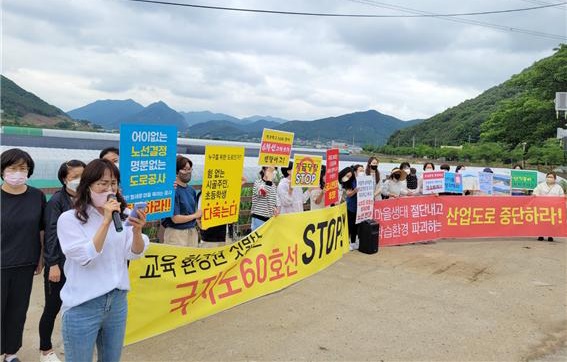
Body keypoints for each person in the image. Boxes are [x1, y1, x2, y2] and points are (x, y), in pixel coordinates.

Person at [56, 159, 149, 362]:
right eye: (102, 183)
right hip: (83, 304)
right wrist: (106, 221)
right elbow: (85, 257)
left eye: (113, 183)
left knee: (111, 359)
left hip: (116, 302)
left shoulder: (123, 216)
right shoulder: (69, 219)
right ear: (88, 186)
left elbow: (134, 253)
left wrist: (137, 230)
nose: (109, 189)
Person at [1, 148, 46, 362]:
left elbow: (42, 229)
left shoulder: (36, 196)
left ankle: (11, 352)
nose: (18, 172)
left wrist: (41, 258)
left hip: (25, 262)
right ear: (2, 171)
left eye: (23, 168)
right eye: (12, 168)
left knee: (18, 311)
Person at [39, 160, 86, 362]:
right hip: (60, 263)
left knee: (77, 306)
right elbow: (51, 234)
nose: (79, 180)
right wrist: (53, 264)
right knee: (52, 306)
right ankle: (45, 350)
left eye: (83, 176)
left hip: (80, 264)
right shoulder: (57, 201)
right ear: (64, 179)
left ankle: (74, 343)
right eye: (74, 177)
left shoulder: (87, 198)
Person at [162, 155, 201, 247]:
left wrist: (197, 219)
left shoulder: (191, 190)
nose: (188, 172)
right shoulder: (172, 190)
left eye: (190, 169)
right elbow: (175, 219)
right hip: (175, 233)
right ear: (176, 171)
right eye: (184, 169)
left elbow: (192, 212)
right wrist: (195, 215)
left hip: (192, 231)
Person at [533, 172, 565, 242]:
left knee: (551, 222)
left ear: (555, 179)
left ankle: (550, 235)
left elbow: (561, 196)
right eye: (548, 177)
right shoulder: (540, 185)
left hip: (553, 208)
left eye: (551, 177)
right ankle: (540, 235)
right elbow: (535, 192)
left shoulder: (558, 187)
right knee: (542, 222)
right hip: (543, 207)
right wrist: (535, 195)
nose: (549, 178)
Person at [339, 165, 363, 249]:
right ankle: (348, 242)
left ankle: (354, 241)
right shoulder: (346, 182)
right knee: (350, 225)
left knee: (356, 225)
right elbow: (349, 194)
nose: (349, 177)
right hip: (351, 206)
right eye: (347, 176)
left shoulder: (357, 179)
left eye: (350, 175)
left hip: (359, 206)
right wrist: (355, 190)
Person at [250, 166, 279, 231]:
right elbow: (263, 193)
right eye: (270, 170)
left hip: (270, 218)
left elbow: (272, 199)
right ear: (263, 170)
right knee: (258, 240)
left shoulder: (273, 185)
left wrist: (274, 208)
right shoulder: (258, 183)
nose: (272, 172)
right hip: (259, 217)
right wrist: (269, 181)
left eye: (274, 170)